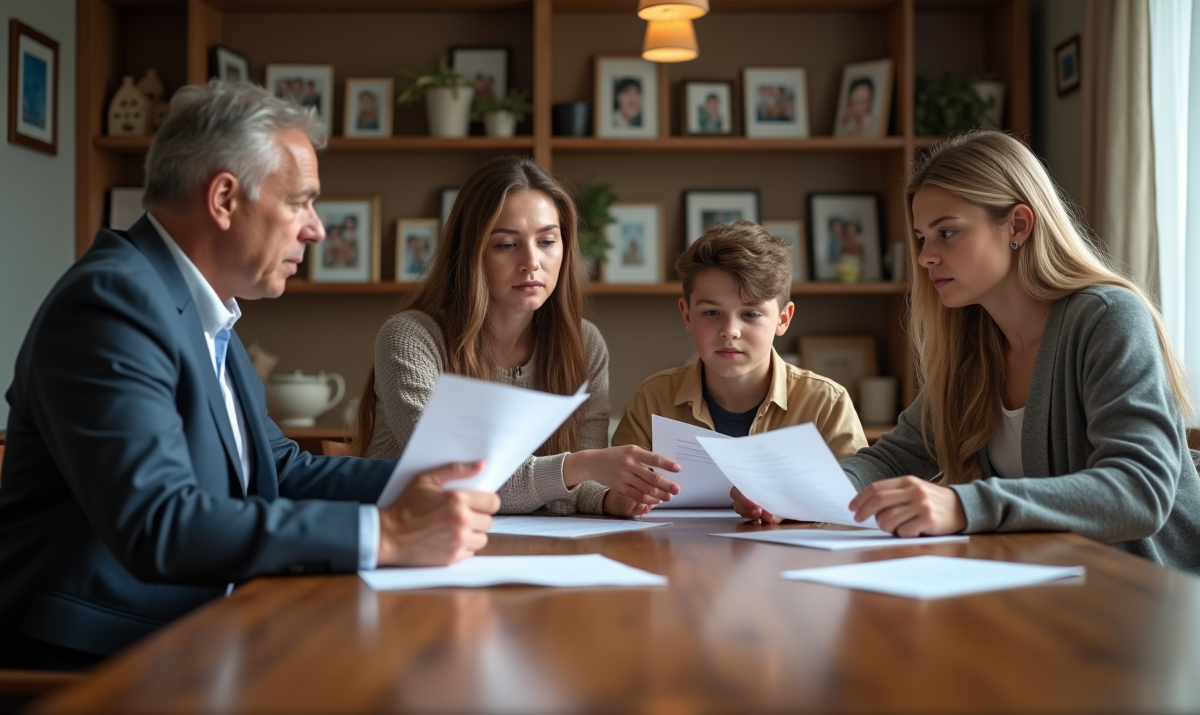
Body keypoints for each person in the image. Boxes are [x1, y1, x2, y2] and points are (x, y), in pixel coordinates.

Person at [0, 80, 500, 670]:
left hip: (204, 626)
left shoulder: (203, 312)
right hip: (97, 656)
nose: (316, 229)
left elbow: (280, 472)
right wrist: (386, 534)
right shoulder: (112, 302)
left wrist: (431, 478)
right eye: (300, 202)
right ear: (224, 199)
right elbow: (158, 522)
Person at [732, 132, 1200, 573]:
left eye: (948, 233)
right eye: (922, 237)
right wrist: (802, 492)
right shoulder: (974, 343)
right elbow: (894, 459)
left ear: (1018, 225)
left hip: (1148, 595)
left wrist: (963, 504)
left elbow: (1141, 489)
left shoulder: (1107, 317)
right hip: (1049, 587)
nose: (925, 257)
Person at [359, 155, 681, 516]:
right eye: (507, 244)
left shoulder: (584, 343)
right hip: (411, 536)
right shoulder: (411, 338)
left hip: (528, 542)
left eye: (547, 241)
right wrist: (580, 465)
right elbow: (456, 478)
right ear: (470, 252)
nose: (532, 262)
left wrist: (608, 498)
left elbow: (577, 484)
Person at [614, 221, 867, 462]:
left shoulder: (826, 404)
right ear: (687, 315)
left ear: (783, 319)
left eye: (751, 314)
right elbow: (618, 486)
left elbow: (856, 491)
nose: (730, 331)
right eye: (711, 312)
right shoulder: (652, 400)